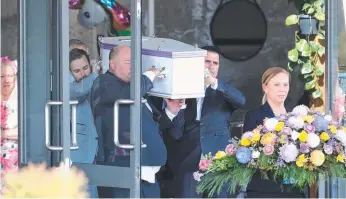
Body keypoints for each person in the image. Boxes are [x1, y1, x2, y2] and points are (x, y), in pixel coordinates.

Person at [90, 45, 170, 198]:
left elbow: (153, 125)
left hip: (147, 175)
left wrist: (171, 112)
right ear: (112, 64)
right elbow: (127, 95)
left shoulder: (131, 88)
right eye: (128, 62)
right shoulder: (103, 83)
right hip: (122, 171)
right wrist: (148, 76)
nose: (133, 66)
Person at [243, 67, 305, 198]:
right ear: (265, 87)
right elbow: (248, 153)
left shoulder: (296, 118)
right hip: (264, 190)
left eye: (285, 84)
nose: (282, 89)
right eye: (276, 84)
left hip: (293, 190)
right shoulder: (254, 116)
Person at [199, 46, 246, 198]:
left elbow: (241, 100)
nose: (211, 66)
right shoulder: (182, 88)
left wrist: (214, 83)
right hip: (189, 160)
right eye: (207, 61)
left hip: (217, 159)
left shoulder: (222, 90)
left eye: (215, 63)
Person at [156, 98, 202, 198]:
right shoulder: (153, 94)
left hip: (187, 161)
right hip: (159, 161)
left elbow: (177, 133)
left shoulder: (191, 99)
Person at [69, 49, 98, 197]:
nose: (83, 74)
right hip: (79, 154)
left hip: (97, 152)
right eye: (77, 71)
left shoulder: (94, 83)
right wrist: (95, 74)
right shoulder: (70, 87)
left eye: (86, 68)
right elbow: (78, 92)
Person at [0, 57, 18, 193]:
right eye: (2, 76)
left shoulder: (21, 101)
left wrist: (3, 134)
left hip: (15, 161)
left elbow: (26, 130)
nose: (6, 80)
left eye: (10, 76)